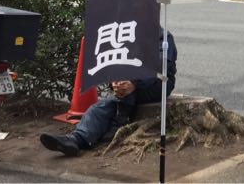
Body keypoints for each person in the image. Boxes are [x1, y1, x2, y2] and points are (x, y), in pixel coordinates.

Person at [39, 31, 178, 157]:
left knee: (123, 93)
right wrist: (114, 81)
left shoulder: (163, 37)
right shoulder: (127, 33)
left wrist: (135, 83)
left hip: (158, 83)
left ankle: (120, 123)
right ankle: (75, 139)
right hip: (130, 83)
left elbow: (163, 68)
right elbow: (114, 61)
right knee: (98, 108)